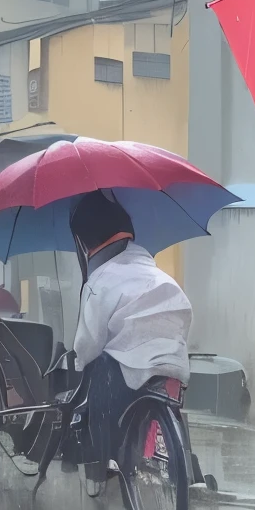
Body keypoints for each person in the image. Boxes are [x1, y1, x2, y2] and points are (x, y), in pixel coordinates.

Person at [68, 191, 192, 482]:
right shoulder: (158, 274)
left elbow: (88, 346)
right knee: (172, 410)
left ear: (89, 244)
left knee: (97, 373)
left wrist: (78, 364)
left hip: (129, 373)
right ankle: (182, 473)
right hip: (174, 366)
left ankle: (104, 463)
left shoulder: (100, 282)